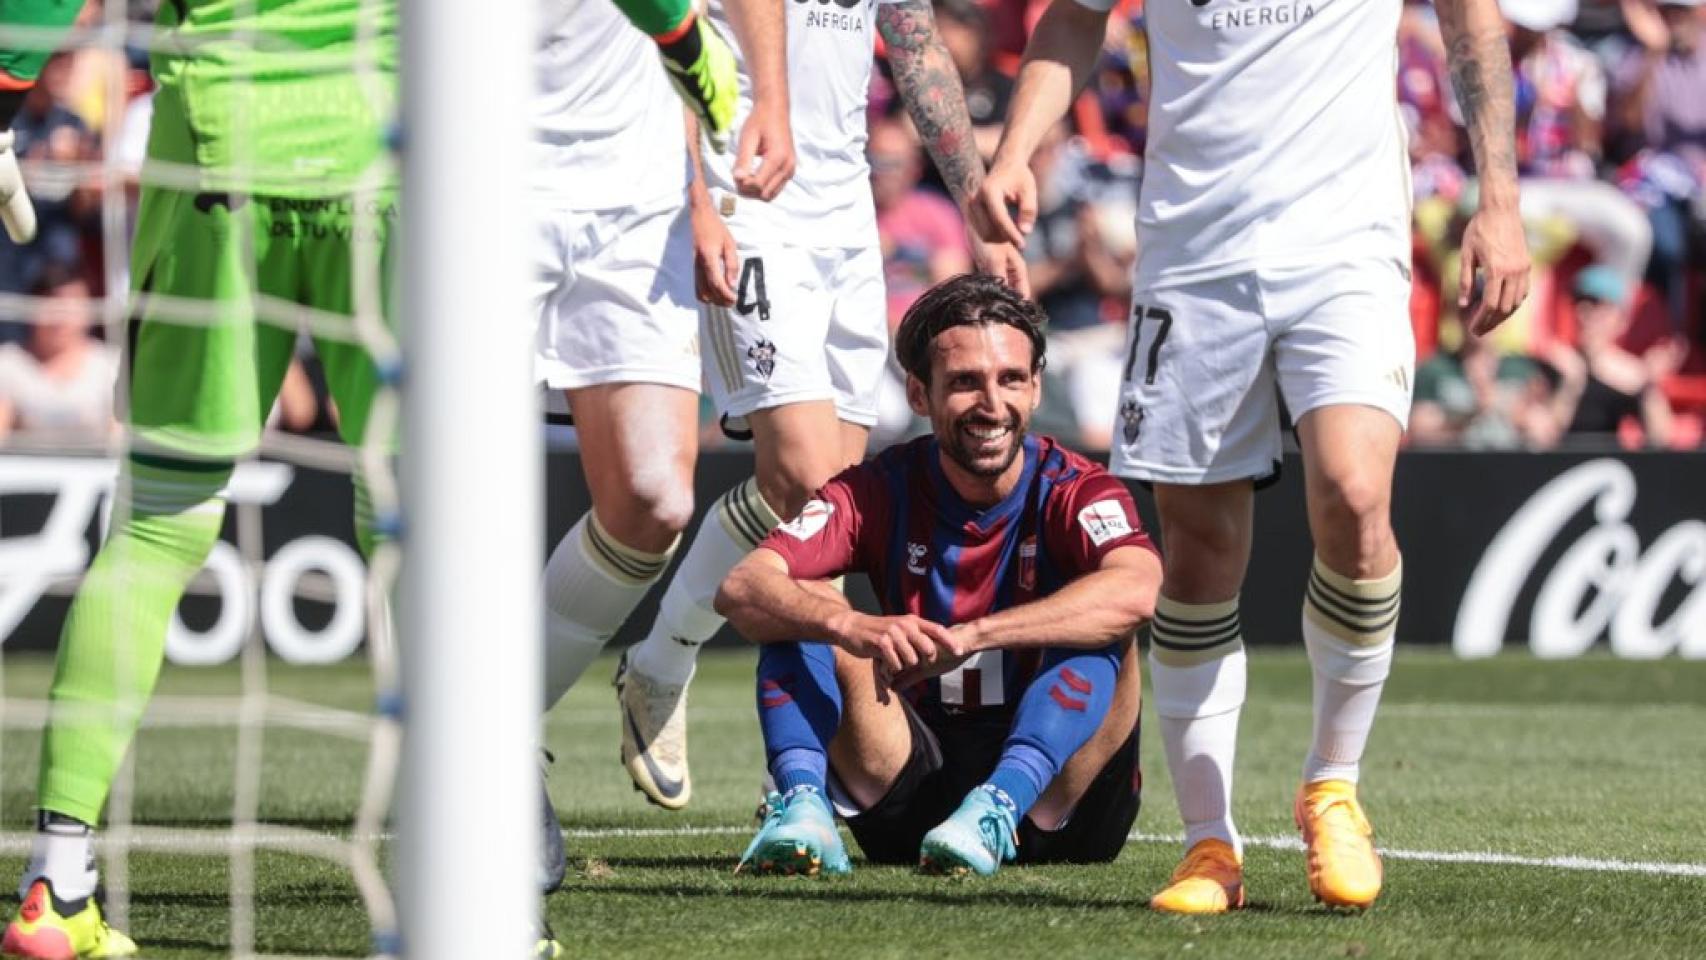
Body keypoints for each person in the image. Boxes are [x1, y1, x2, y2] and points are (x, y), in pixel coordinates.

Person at [972, 0, 1531, 913]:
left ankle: (1333, 785)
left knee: (1354, 498)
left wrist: (1499, 199)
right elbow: (1071, 18)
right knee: (1195, 553)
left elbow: (1473, 22)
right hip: (1194, 251)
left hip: (1347, 244)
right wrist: (1013, 152)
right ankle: (1208, 847)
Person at [0, 0, 411, 955]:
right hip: (386, 151)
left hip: (213, 149)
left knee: (153, 525)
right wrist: (683, 41)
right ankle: (490, 895)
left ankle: (56, 887)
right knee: (414, 522)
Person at [610, 0, 1026, 811]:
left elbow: (909, 36)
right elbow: (670, 34)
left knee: (815, 507)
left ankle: (661, 665)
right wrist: (690, 191)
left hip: (845, 211)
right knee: (806, 482)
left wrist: (973, 190)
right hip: (746, 196)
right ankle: (797, 775)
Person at [715, 274, 1160, 876]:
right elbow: (742, 587)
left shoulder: (1078, 488)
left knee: (1102, 617)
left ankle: (997, 804)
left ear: (1035, 389)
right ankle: (801, 806)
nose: (991, 405)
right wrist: (851, 626)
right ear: (919, 394)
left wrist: (973, 637)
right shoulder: (876, 489)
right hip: (914, 787)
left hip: (1062, 803)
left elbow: (1137, 591)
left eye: (1010, 380)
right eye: (964, 383)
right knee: (799, 603)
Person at [529, 0, 792, 825]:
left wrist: (701, 190)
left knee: (653, 499)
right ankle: (470, 766)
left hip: (635, 196)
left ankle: (497, 729)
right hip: (479, 174)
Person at [1545, 264, 1681, 445]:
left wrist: (1650, 388)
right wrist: (1570, 386)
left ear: (1620, 319)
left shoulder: (1632, 373)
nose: (1583, 313)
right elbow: (1543, 439)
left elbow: (1660, 438)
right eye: (1579, 302)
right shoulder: (1556, 362)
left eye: (1596, 304)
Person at [0, 271, 119, 441]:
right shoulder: (7, 362)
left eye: (70, 305)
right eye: (53, 305)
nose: (61, 317)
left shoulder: (111, 364)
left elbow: (119, 439)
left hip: (98, 466)